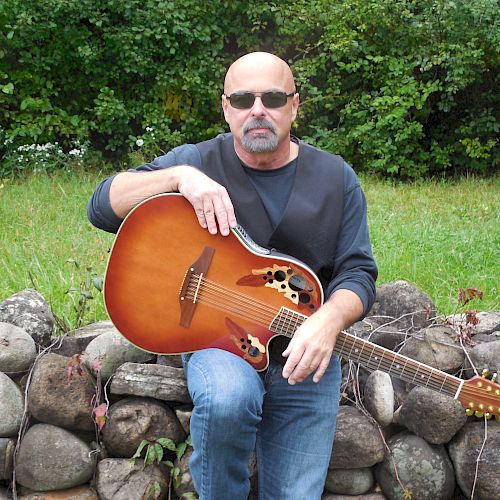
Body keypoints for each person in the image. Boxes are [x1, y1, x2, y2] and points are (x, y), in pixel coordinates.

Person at [88, 52, 377, 500]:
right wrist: (180, 178)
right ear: (226, 108)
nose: (257, 109)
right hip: (217, 340)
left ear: (294, 106)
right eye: (243, 99)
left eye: (273, 98)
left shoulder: (335, 178)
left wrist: (331, 320)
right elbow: (102, 205)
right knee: (227, 398)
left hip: (305, 352)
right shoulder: (198, 161)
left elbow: (358, 271)